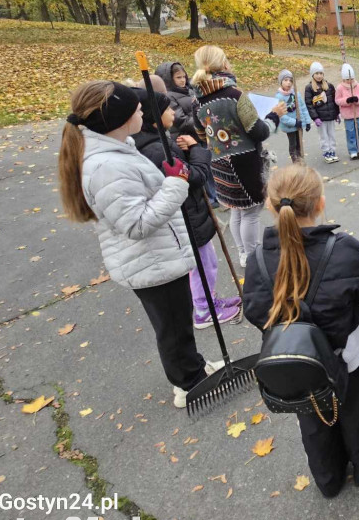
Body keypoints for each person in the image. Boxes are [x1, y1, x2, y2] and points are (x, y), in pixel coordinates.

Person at [58, 81, 220, 408]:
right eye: (136, 109)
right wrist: (176, 185)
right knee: (172, 328)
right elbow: (136, 224)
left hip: (157, 256)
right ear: (118, 120)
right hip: (149, 261)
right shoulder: (106, 166)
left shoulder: (119, 148)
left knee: (178, 322)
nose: (143, 111)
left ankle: (193, 366)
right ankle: (188, 384)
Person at [243, 164, 359, 498]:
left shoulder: (258, 259)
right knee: (355, 406)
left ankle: (328, 479)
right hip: (346, 352)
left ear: (272, 207)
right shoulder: (345, 249)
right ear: (320, 204)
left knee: (310, 417)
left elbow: (255, 311)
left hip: (296, 359)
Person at [130, 88, 242, 329]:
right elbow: (195, 176)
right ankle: (203, 309)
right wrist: (196, 150)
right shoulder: (157, 149)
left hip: (188, 215)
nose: (172, 111)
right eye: (167, 109)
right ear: (155, 116)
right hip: (187, 216)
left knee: (204, 261)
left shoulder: (157, 141)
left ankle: (208, 301)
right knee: (204, 263)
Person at [191, 45, 287, 269]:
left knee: (236, 209)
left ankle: (243, 253)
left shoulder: (198, 101)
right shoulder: (235, 96)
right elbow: (259, 131)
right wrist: (275, 115)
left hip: (219, 162)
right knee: (251, 210)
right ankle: (253, 257)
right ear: (224, 64)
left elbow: (199, 134)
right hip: (244, 163)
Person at [157, 59, 219, 207]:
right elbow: (181, 120)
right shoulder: (169, 96)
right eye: (178, 77)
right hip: (186, 139)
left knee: (210, 164)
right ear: (169, 79)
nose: (183, 80)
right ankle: (210, 198)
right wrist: (202, 120)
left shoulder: (189, 90)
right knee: (201, 168)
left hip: (200, 135)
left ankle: (215, 194)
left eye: (184, 76)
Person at [305, 62, 340, 163]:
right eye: (317, 73)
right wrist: (315, 117)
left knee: (332, 134)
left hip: (331, 116)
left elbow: (335, 101)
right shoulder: (309, 88)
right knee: (323, 136)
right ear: (313, 75)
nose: (319, 76)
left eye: (321, 73)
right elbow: (309, 104)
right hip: (321, 118)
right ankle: (326, 152)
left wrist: (337, 113)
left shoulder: (329, 86)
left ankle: (332, 151)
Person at [275, 69, 309, 162]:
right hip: (290, 127)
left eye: (290, 80)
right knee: (293, 145)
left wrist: (307, 121)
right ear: (281, 82)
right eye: (285, 80)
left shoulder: (296, 93)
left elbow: (302, 107)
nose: (288, 83)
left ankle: (301, 160)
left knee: (300, 143)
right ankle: (296, 162)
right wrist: (294, 123)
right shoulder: (279, 97)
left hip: (299, 124)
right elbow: (281, 115)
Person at [335, 64, 359, 160]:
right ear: (343, 79)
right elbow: (337, 100)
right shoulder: (340, 87)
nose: (350, 81)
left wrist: (357, 99)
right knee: (350, 133)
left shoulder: (358, 86)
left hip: (358, 113)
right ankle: (352, 150)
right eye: (347, 79)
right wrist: (347, 101)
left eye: (351, 79)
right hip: (348, 115)